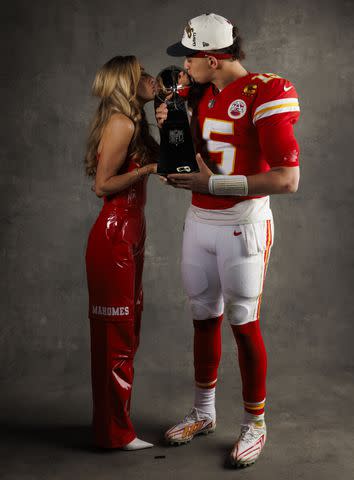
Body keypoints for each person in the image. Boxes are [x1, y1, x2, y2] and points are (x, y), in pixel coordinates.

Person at [156, 13, 300, 467]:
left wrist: (212, 184)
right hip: (199, 221)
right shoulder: (200, 90)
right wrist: (170, 117)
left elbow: (287, 179)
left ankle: (255, 422)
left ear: (214, 59)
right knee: (202, 317)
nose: (185, 66)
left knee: (243, 323)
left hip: (242, 222)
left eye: (191, 58)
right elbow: (189, 143)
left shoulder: (267, 91)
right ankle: (204, 412)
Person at [84, 55, 158, 450]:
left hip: (129, 234)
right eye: (141, 74)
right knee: (116, 337)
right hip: (114, 236)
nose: (149, 78)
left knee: (127, 334)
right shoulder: (121, 122)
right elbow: (102, 185)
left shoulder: (136, 122)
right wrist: (146, 171)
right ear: (127, 84)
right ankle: (114, 433)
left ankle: (114, 426)